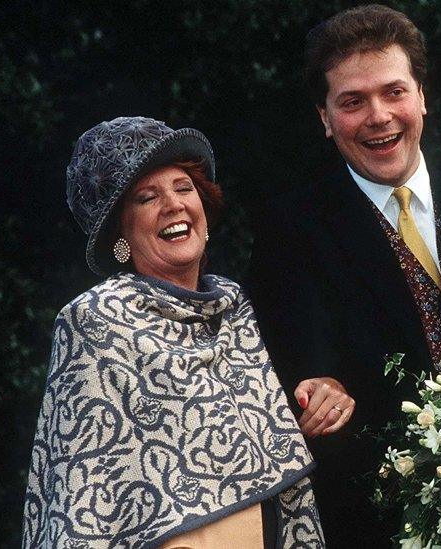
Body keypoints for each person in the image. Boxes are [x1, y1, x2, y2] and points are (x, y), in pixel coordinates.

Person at [247, 5, 441, 546]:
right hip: (379, 526)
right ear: (324, 117)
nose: (378, 116)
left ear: (422, 97)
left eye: (394, 92)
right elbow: (289, 371)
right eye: (352, 101)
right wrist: (318, 391)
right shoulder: (290, 232)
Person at [22, 117, 324, 548]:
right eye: (147, 197)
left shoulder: (236, 308)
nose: (174, 204)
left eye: (184, 188)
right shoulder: (96, 319)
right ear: (120, 235)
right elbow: (80, 495)